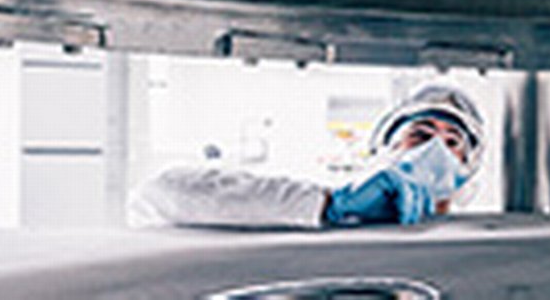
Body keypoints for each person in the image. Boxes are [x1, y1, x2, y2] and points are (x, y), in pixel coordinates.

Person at [129, 83, 485, 229]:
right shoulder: (308, 212)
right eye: (419, 135)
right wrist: (329, 206)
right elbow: (161, 194)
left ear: (466, 172)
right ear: (381, 153)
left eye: (452, 142)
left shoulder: (481, 242)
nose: (434, 151)